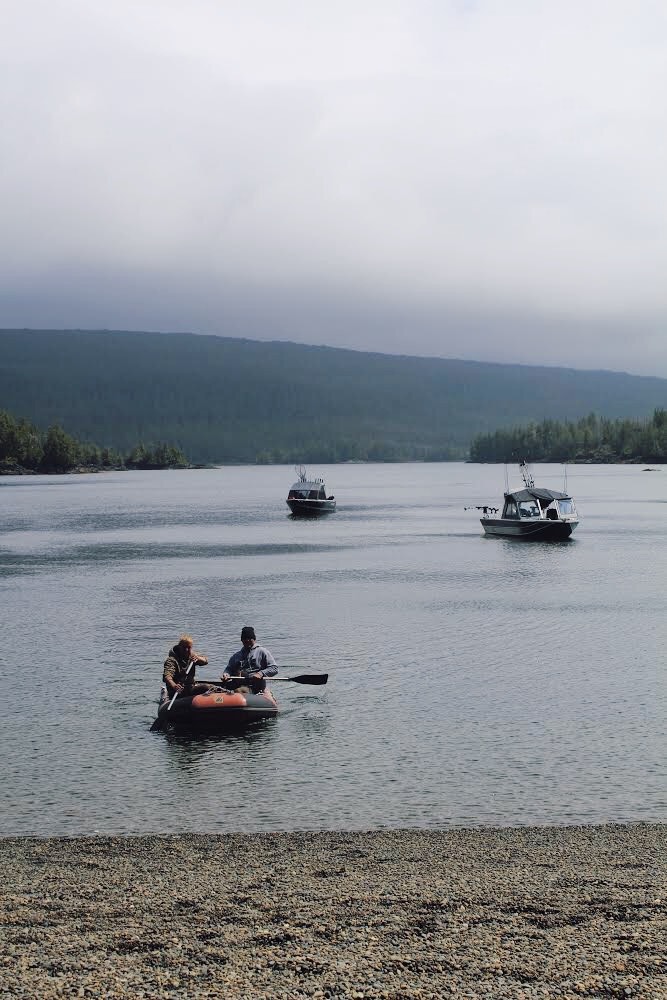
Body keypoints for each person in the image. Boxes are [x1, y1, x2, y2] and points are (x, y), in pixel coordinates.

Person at [221, 626, 278, 693]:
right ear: (242, 640)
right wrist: (226, 674)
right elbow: (229, 669)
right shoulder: (236, 656)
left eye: (249, 638)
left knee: (239, 691)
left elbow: (274, 668)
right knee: (206, 686)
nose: (247, 640)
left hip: (254, 686)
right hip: (237, 684)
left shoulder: (262, 652)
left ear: (254, 639)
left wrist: (260, 674)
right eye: (245, 639)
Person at [162, 634, 210, 703]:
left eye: (189, 648)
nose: (186, 650)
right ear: (179, 647)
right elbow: (167, 676)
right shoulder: (172, 660)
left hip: (190, 688)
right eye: (184, 647)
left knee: (210, 688)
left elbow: (205, 661)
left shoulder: (191, 656)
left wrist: (198, 658)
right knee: (206, 688)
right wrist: (174, 685)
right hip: (178, 691)